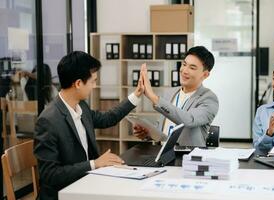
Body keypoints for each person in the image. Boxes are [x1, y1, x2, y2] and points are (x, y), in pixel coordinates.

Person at [34, 51, 144, 200]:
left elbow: (107, 119)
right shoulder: (48, 120)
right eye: (93, 81)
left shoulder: (81, 106)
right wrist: (94, 164)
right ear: (78, 83)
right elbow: (50, 175)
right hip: (64, 194)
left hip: (85, 184)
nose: (95, 85)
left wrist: (136, 95)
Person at [134, 46, 219, 147]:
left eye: (192, 68)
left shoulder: (209, 99)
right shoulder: (170, 93)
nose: (184, 71)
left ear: (205, 75)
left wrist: (152, 96)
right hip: (162, 154)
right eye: (184, 64)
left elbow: (189, 120)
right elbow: (161, 127)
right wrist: (147, 133)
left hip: (187, 157)